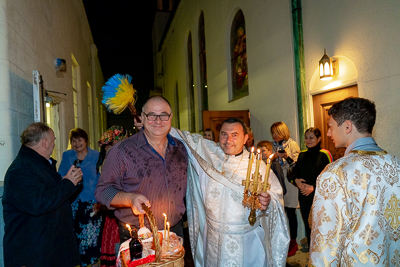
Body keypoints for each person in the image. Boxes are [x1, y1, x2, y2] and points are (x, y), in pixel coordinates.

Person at [170, 118, 289, 267]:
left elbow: (276, 197)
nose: (228, 140)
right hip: (213, 242)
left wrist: (268, 200)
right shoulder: (209, 155)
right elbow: (183, 137)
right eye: (224, 134)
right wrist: (154, 124)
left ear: (246, 138)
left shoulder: (257, 166)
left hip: (246, 243)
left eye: (234, 135)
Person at [309, 97, 400, 266]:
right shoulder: (396, 164)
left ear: (347, 126)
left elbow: (325, 245)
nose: (328, 133)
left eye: (330, 127)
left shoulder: (335, 173)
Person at [95, 96, 188, 244]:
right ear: (142, 118)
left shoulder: (181, 149)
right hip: (138, 235)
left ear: (171, 118)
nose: (158, 120)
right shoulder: (122, 151)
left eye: (163, 115)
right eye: (151, 115)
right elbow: (103, 191)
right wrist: (130, 199)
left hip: (173, 232)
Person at [2, 122, 82, 267]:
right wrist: (67, 184)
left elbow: (49, 193)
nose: (53, 144)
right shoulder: (21, 170)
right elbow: (38, 203)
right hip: (33, 255)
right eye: (53, 140)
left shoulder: (39, 164)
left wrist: (68, 182)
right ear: (45, 142)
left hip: (48, 250)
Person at [58, 128, 102, 267]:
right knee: (74, 236)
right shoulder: (67, 155)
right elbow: (60, 176)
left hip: (92, 202)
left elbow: (101, 179)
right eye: (74, 141)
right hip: (73, 203)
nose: (77, 143)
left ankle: (93, 263)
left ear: (86, 141)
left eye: (79, 140)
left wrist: (99, 201)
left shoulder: (97, 155)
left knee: (92, 237)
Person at [291, 127, 332, 249]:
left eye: (311, 137)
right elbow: (294, 174)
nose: (308, 140)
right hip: (304, 197)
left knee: (321, 228)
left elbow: (330, 177)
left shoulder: (325, 154)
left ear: (319, 139)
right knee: (309, 229)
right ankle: (311, 258)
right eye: (306, 138)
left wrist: (313, 187)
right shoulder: (302, 155)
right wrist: (296, 181)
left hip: (320, 197)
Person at [97, 125, 127, 267]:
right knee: (117, 243)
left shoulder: (114, 155)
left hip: (117, 205)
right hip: (115, 206)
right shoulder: (112, 156)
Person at [270, 121, 300, 256]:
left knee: (291, 214)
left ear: (282, 132)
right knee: (280, 214)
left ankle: (293, 243)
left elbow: (297, 166)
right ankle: (282, 241)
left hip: (290, 182)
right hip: (277, 181)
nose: (274, 135)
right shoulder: (272, 146)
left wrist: (286, 156)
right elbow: (268, 163)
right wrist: (273, 157)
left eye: (276, 132)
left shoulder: (292, 144)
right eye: (272, 133)